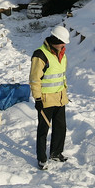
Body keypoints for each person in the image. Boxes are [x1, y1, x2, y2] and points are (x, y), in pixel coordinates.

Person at [29, 25, 70, 170]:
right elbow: (35, 79)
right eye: (62, 42)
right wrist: (38, 99)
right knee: (43, 130)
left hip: (60, 98)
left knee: (60, 127)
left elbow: (60, 76)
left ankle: (56, 152)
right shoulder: (40, 55)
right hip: (45, 100)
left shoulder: (62, 54)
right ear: (55, 40)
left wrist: (64, 93)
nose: (64, 45)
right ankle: (41, 158)